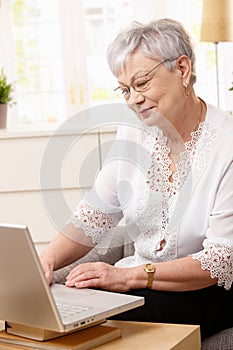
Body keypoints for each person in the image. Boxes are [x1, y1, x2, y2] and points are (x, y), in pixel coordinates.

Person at [40, 18, 233, 340]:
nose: (132, 99)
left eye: (141, 84)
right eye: (125, 90)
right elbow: (93, 217)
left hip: (208, 292)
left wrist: (126, 278)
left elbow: (219, 261)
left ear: (182, 69)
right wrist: (43, 263)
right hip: (141, 281)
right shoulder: (132, 134)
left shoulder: (227, 144)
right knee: (58, 307)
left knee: (100, 323)